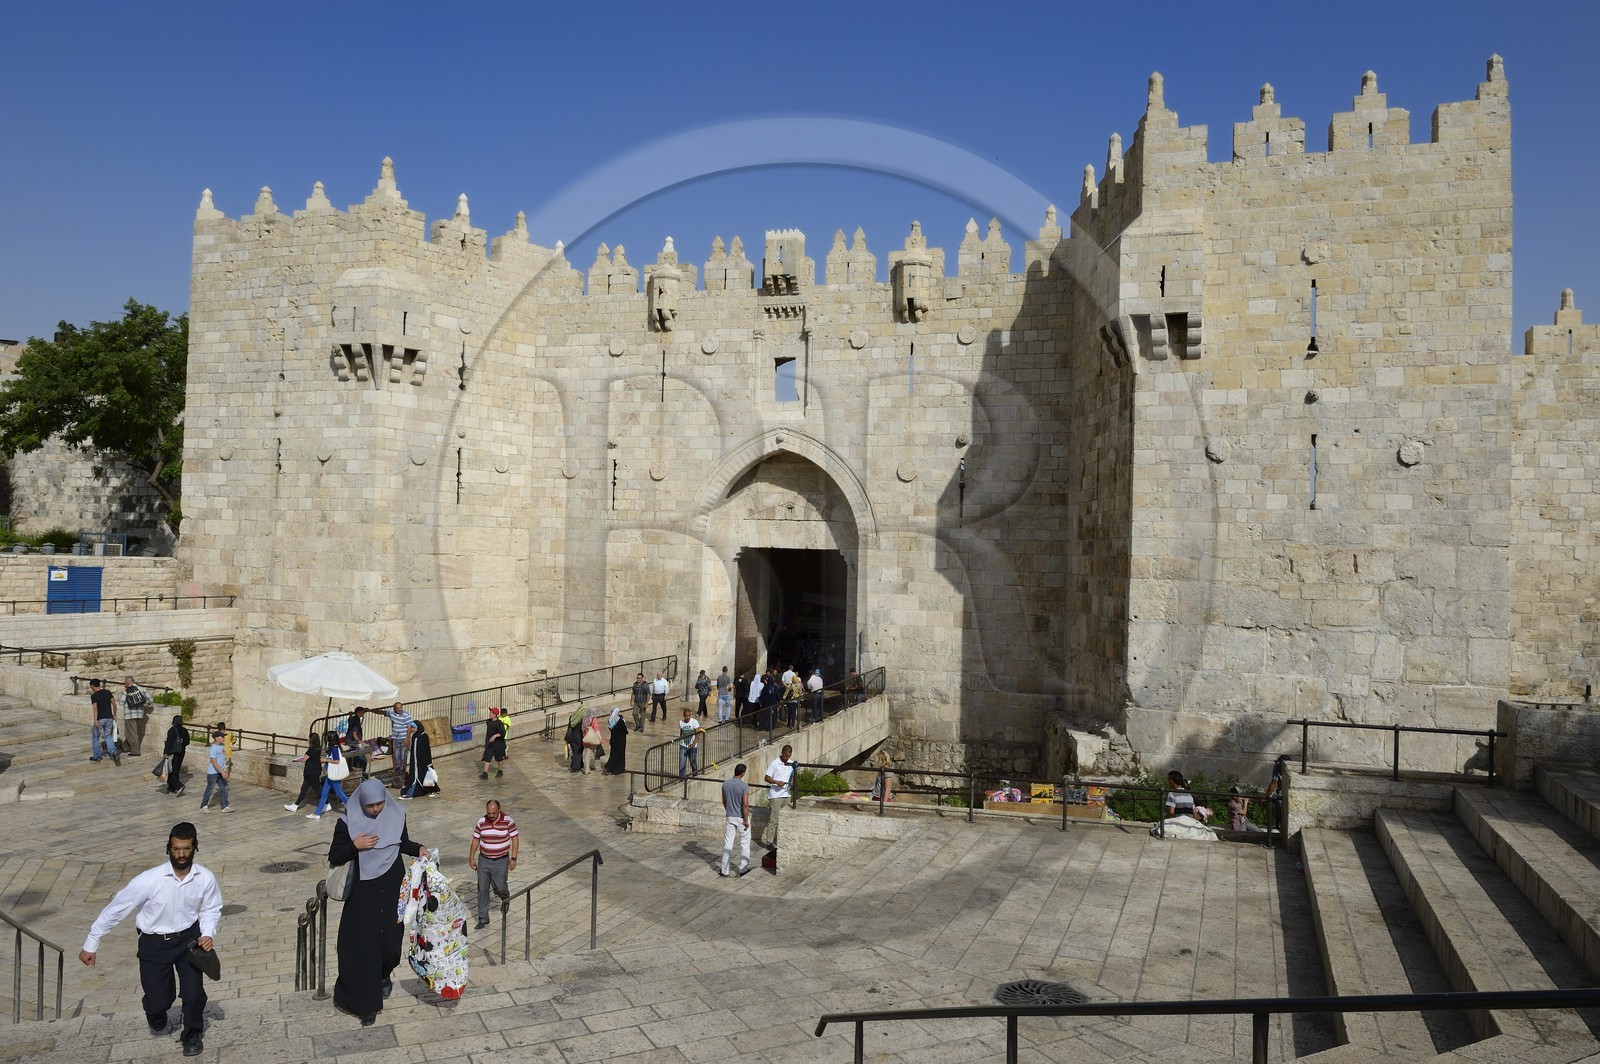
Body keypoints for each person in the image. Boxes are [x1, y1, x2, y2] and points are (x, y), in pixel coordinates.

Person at [80, 821, 222, 1057]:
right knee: (160, 1001)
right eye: (176, 849)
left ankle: (192, 1034)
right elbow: (117, 909)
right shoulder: (149, 880)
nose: (181, 854)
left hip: (189, 940)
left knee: (194, 992)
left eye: (186, 848)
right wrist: (91, 943)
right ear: (168, 848)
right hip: (153, 943)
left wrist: (207, 933)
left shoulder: (205, 877)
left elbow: (211, 908)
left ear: (195, 847)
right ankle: (155, 1012)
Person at [328, 779, 429, 1026]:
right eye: (370, 805)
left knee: (391, 946)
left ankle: (384, 975)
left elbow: (401, 842)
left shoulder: (396, 813)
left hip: (393, 888)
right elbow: (335, 855)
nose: (375, 809)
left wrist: (419, 848)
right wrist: (355, 845)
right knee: (365, 948)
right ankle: (366, 1006)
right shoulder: (346, 822)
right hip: (363, 892)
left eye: (379, 803)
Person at [468, 799, 519, 930]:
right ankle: (483, 918)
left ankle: (505, 898)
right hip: (484, 860)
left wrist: (513, 858)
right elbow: (475, 840)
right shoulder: (481, 822)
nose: (491, 815)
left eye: (493, 813)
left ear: (499, 811)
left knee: (500, 886)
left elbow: (515, 838)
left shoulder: (508, 821)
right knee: (482, 889)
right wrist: (471, 857)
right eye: (489, 813)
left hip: (501, 861)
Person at [308, 732, 352, 819]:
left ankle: (352, 807)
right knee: (324, 793)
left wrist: (326, 760)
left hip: (333, 775)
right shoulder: (333, 748)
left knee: (339, 793)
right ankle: (317, 813)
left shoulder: (335, 748)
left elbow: (337, 761)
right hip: (331, 775)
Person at [719, 763, 751, 877]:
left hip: (730, 816)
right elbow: (745, 804)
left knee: (728, 843)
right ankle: (743, 869)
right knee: (745, 843)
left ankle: (724, 870)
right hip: (741, 817)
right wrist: (746, 820)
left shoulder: (725, 784)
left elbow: (724, 801)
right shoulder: (744, 786)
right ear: (743, 773)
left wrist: (729, 811)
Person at [762, 744, 795, 853]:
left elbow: (792, 774)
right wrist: (776, 782)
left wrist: (792, 781)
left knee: (785, 819)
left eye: (789, 756)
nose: (787, 758)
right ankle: (769, 842)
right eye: (785, 756)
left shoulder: (791, 763)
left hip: (787, 794)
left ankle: (782, 839)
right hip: (776, 795)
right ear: (782, 753)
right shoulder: (774, 763)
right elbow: (766, 777)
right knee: (773, 820)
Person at [285, 730, 324, 812]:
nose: (307, 739)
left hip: (312, 773)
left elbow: (304, 759)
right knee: (303, 789)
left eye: (309, 738)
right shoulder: (318, 749)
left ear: (311, 740)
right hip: (311, 773)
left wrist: (296, 760)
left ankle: (326, 804)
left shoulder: (311, 750)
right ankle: (295, 806)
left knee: (318, 790)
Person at [400, 721, 437, 799]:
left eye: (413, 728)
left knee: (426, 777)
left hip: (423, 761)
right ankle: (411, 792)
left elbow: (427, 749)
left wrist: (429, 762)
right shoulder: (414, 736)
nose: (412, 730)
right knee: (414, 777)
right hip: (415, 761)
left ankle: (433, 789)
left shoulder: (423, 736)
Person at [198, 728, 231, 812]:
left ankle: (225, 806)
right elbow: (214, 762)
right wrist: (222, 772)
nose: (223, 738)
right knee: (210, 789)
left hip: (221, 771)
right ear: (216, 738)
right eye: (222, 737)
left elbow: (225, 759)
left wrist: (226, 769)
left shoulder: (222, 746)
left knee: (224, 788)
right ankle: (203, 806)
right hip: (213, 772)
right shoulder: (214, 748)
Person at [89, 679, 119, 766]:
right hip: (109, 718)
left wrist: (95, 720)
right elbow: (114, 704)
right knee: (108, 735)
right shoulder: (107, 692)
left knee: (95, 737)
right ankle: (113, 751)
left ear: (92, 686)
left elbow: (95, 708)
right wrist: (114, 715)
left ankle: (97, 756)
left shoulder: (94, 696)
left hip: (100, 719)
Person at [381, 703, 413, 782]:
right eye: (398, 708)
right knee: (396, 756)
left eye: (401, 707)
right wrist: (370, 710)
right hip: (395, 739)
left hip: (403, 739)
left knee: (403, 756)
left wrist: (406, 739)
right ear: (394, 709)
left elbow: (409, 728)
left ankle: (402, 771)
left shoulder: (406, 715)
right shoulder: (391, 713)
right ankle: (397, 770)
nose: (400, 709)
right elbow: (382, 712)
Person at [121, 676, 152, 757]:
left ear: (127, 683)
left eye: (125, 683)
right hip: (140, 714)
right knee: (133, 732)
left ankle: (135, 751)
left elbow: (121, 702)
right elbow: (150, 700)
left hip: (129, 715)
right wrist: (146, 704)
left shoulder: (127, 691)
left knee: (131, 733)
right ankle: (125, 747)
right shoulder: (142, 689)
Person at [163, 714, 190, 796]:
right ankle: (171, 787)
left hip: (172, 753)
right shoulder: (184, 730)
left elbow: (169, 742)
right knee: (176, 769)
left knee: (171, 770)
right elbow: (187, 742)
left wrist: (165, 752)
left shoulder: (172, 730)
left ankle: (178, 786)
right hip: (181, 752)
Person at [479, 706, 508, 780]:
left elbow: (503, 733)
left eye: (491, 713)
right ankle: (485, 774)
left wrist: (495, 736)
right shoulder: (488, 722)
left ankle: (500, 771)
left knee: (499, 758)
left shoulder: (499, 723)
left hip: (498, 744)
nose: (489, 714)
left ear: (495, 715)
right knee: (487, 758)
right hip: (490, 744)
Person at [677, 705, 701, 779]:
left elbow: (698, 734)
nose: (687, 717)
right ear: (684, 716)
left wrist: (693, 744)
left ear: (690, 715)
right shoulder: (681, 722)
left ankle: (695, 776)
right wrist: (680, 737)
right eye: (686, 716)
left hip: (692, 746)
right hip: (683, 745)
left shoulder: (694, 722)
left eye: (689, 716)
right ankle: (681, 779)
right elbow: (681, 731)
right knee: (682, 763)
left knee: (693, 763)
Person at [581, 707, 606, 773]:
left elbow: (582, 729)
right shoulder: (593, 719)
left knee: (587, 755)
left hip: (586, 739)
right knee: (596, 753)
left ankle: (586, 770)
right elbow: (596, 729)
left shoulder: (585, 718)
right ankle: (597, 767)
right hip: (593, 739)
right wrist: (600, 739)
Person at [605, 706, 628, 774]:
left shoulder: (610, 721)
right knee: (620, 754)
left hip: (613, 739)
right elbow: (625, 730)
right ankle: (619, 769)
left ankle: (609, 767)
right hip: (621, 740)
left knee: (613, 754)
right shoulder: (620, 721)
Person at [565, 705, 585, 773]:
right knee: (578, 752)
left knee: (575, 751)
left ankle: (580, 764)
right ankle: (575, 767)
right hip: (579, 737)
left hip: (572, 737)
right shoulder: (582, 719)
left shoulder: (572, 717)